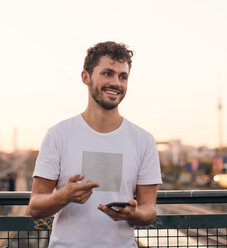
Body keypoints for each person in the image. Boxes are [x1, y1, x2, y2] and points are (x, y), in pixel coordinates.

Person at [29, 41, 162, 247]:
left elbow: (149, 211)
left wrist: (135, 213)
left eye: (123, 76)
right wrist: (64, 196)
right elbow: (35, 207)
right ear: (86, 77)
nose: (116, 83)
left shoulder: (143, 140)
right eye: (107, 73)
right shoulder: (58, 135)